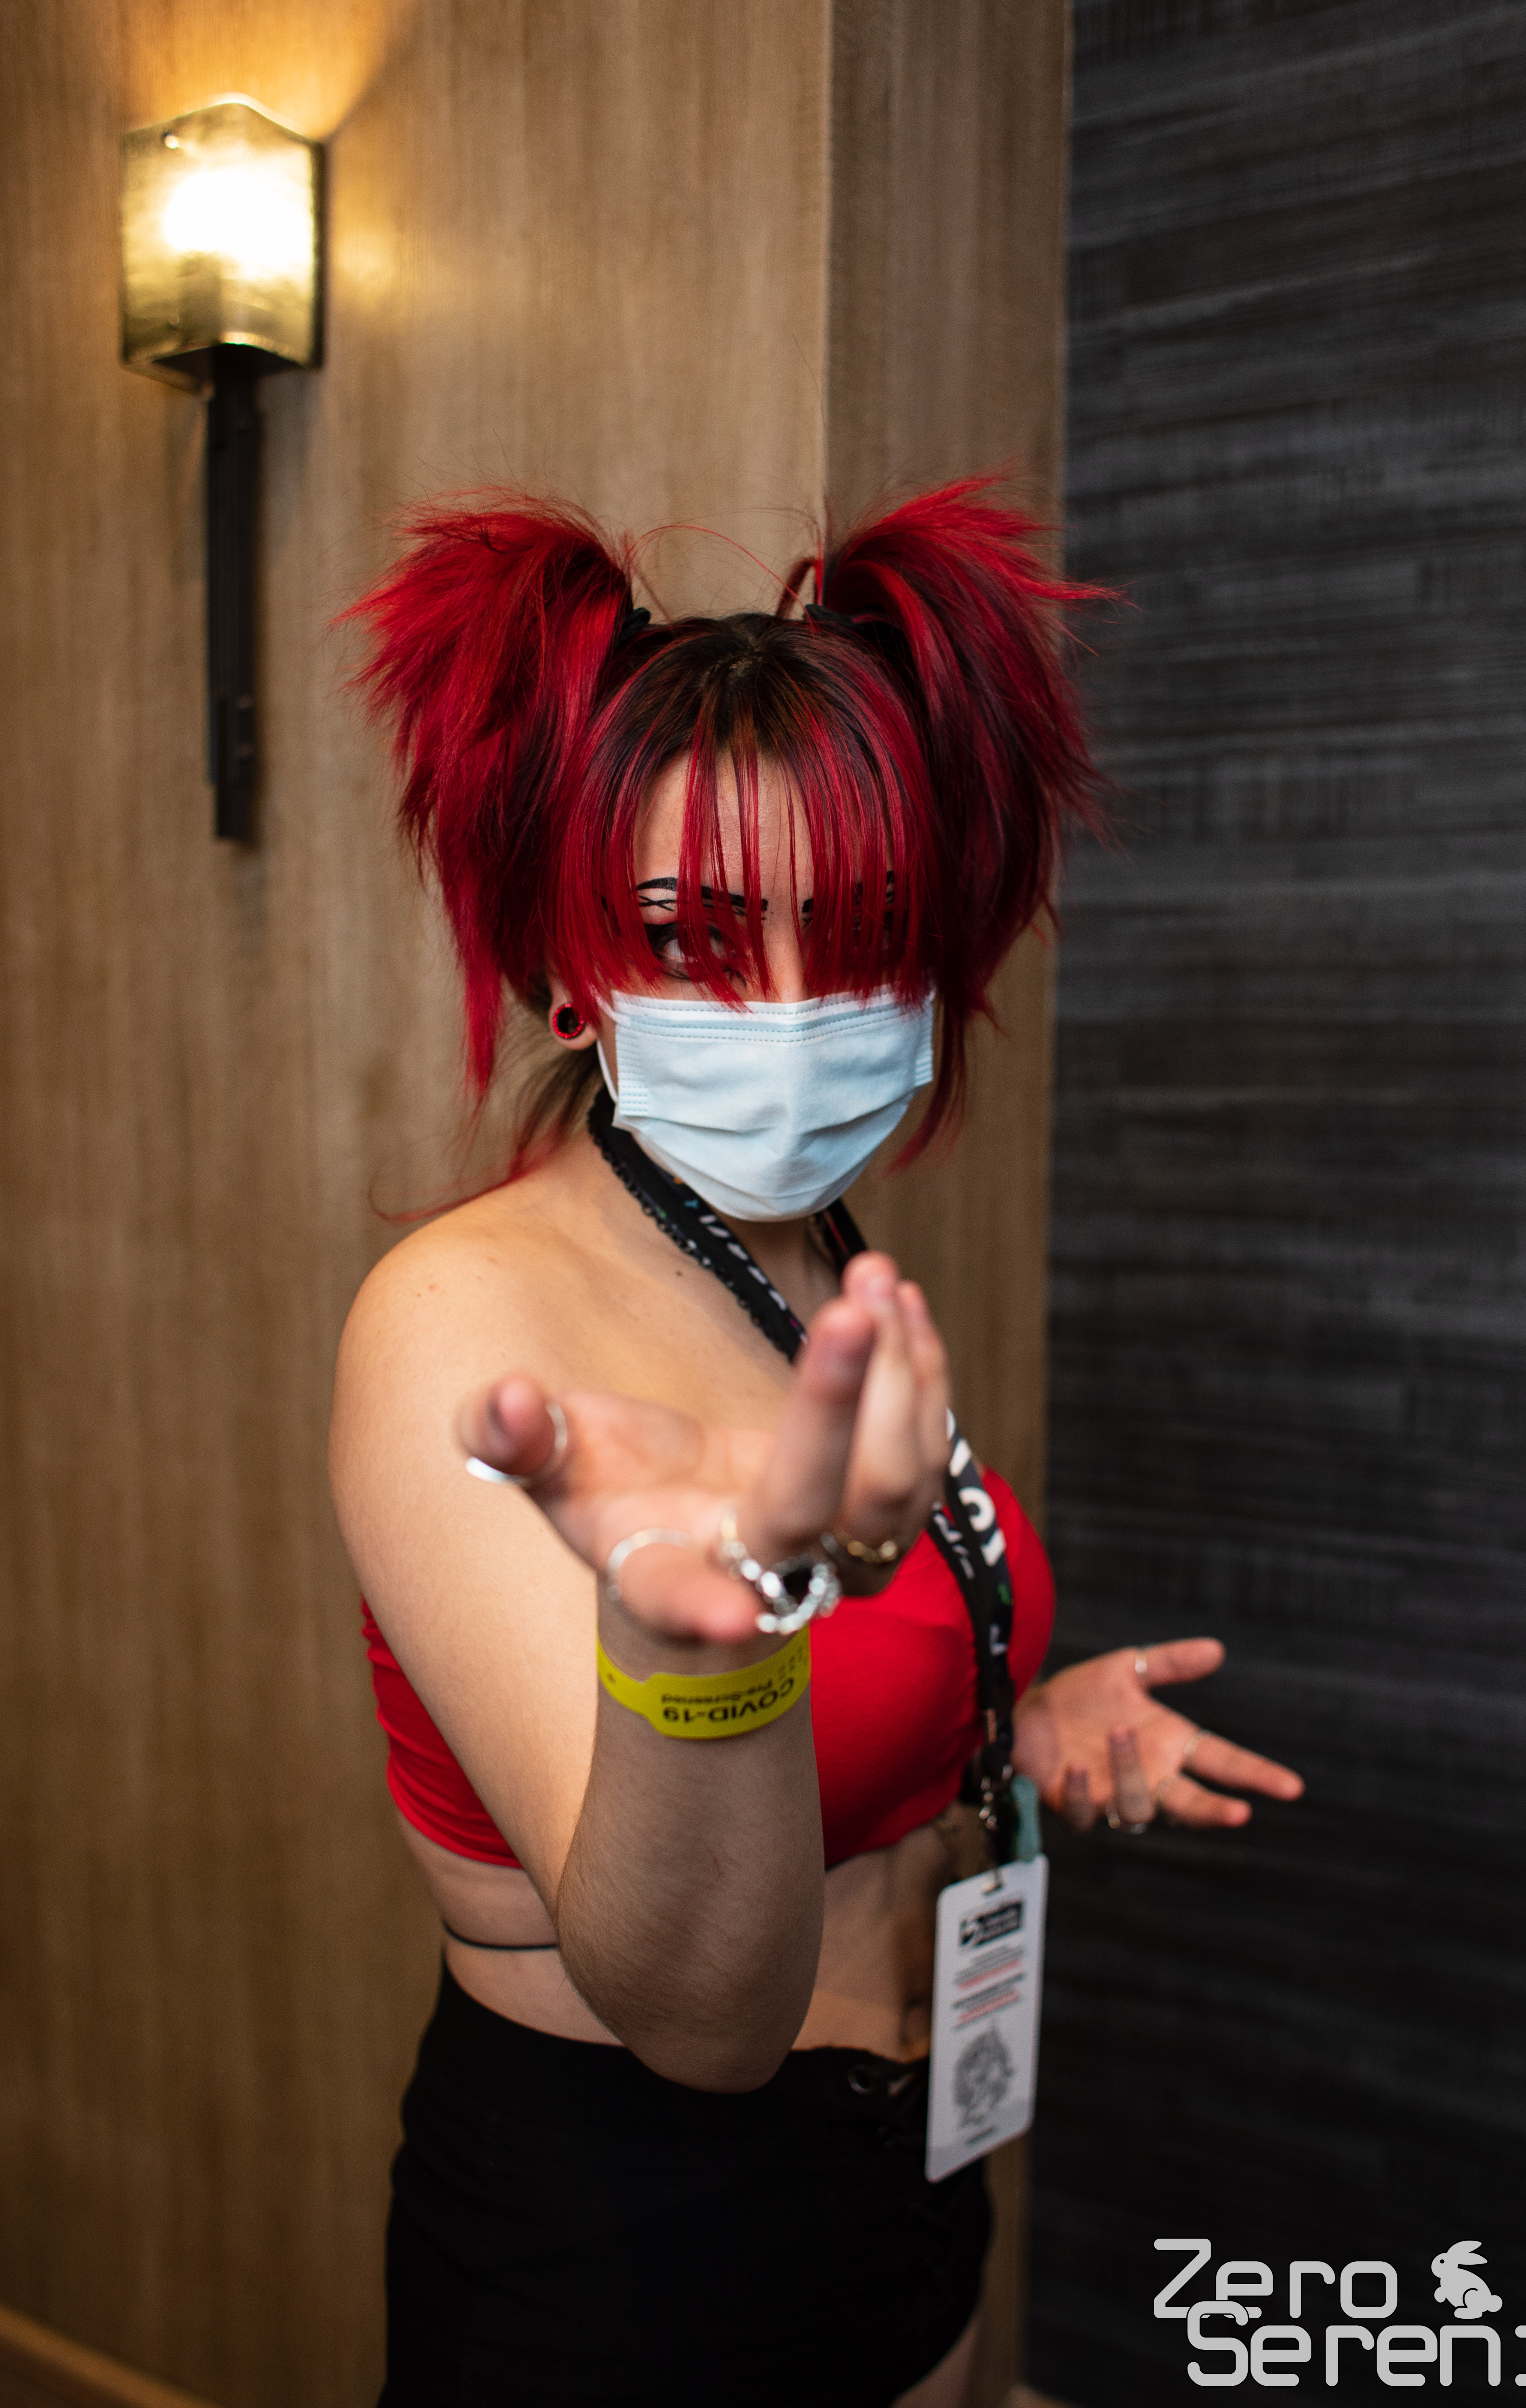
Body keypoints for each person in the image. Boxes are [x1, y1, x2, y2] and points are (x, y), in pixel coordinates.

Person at [331, 481, 1304, 2408]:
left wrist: (1005, 1725)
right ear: (568, 969)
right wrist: (695, 1634)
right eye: (691, 939)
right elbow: (696, 2018)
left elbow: (850, 1702)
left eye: (854, 934)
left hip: (910, 2176)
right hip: (629, 2250)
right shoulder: (461, 1320)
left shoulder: (815, 1252)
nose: (788, 1012)